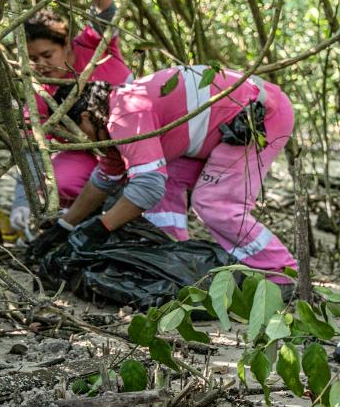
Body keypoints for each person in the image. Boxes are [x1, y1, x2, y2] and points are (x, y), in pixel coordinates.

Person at [27, 66, 298, 284]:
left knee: (214, 203)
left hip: (259, 116)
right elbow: (106, 177)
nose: (76, 140)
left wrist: (101, 226)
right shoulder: (111, 121)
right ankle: (177, 260)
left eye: (73, 130)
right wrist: (65, 227)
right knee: (165, 186)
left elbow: (147, 187)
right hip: (226, 127)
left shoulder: (125, 114)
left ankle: (283, 274)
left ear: (85, 116)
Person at [10, 0, 133, 231]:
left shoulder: (93, 45)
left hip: (133, 137)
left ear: (65, 45)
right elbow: (30, 149)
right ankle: (85, 221)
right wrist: (21, 201)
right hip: (88, 156)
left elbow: (106, 10)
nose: (40, 64)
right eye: (33, 59)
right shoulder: (42, 94)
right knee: (58, 180)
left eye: (47, 54)